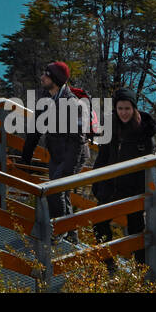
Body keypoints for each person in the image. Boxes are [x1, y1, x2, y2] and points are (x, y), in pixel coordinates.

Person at [18, 61, 91, 232]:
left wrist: (69, 167)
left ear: (56, 80)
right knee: (61, 195)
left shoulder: (72, 104)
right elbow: (36, 129)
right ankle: (69, 235)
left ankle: (58, 232)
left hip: (74, 154)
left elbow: (78, 140)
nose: (42, 77)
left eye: (47, 75)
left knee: (55, 190)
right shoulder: (45, 97)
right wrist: (25, 158)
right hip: (57, 153)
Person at [91, 88, 156, 269]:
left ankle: (141, 268)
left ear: (134, 108)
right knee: (99, 223)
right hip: (110, 186)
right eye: (120, 108)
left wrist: (143, 190)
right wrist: (96, 183)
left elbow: (149, 165)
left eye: (127, 108)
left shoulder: (144, 133)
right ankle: (108, 265)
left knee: (136, 228)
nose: (124, 112)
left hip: (133, 188)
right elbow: (102, 157)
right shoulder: (110, 127)